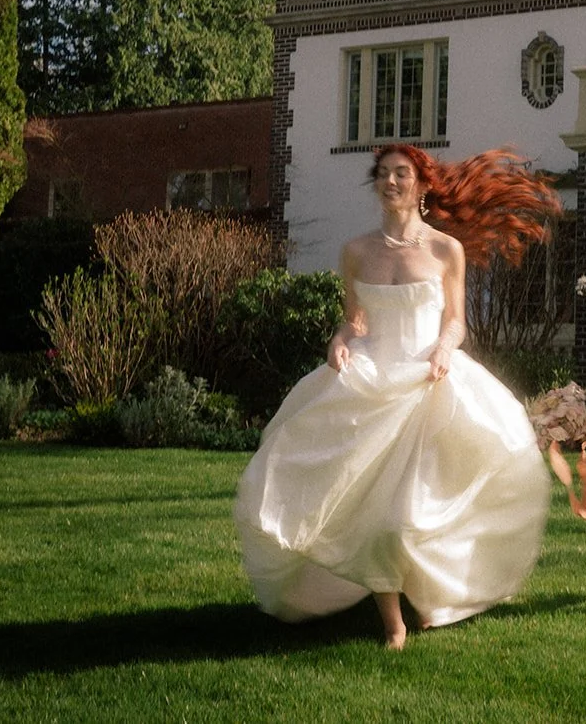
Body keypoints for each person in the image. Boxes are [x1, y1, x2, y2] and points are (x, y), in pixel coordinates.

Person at [235, 144, 559, 649]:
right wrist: (340, 341)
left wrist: (444, 350)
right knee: (373, 512)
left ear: (422, 185)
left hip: (428, 383)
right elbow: (355, 321)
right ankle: (393, 623)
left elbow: (455, 322)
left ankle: (431, 596)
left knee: (414, 513)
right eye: (382, 173)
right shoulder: (356, 251)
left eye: (401, 174)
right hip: (370, 385)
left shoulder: (445, 250)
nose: (390, 182)